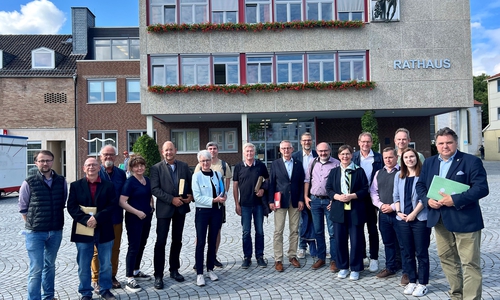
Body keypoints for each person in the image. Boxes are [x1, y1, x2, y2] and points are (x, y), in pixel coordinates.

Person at [416, 127, 489, 300]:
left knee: (469, 263)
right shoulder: (430, 162)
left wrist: (455, 199)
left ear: (456, 143)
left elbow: (482, 188)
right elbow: (420, 186)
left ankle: (471, 298)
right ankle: (456, 295)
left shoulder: (470, 161)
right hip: (440, 220)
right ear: (436, 144)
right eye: (441, 143)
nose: (445, 146)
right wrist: (427, 201)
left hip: (465, 220)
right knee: (447, 259)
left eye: (449, 142)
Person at [18, 150, 67, 300]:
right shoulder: (29, 181)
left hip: (55, 231)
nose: (45, 163)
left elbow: (62, 201)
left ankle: (49, 296)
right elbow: (23, 207)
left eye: (48, 160)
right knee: (36, 268)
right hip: (35, 233)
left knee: (50, 266)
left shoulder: (61, 181)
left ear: (53, 161)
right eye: (42, 161)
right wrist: (33, 225)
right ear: (36, 163)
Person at [67, 157, 117, 300]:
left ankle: (105, 289)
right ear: (84, 168)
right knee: (83, 264)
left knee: (106, 264)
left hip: (104, 228)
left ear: (99, 167)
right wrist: (86, 220)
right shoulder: (76, 186)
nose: (91, 167)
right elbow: (72, 207)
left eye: (94, 165)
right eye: (88, 165)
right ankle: (85, 292)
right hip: (83, 229)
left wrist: (97, 218)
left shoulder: (109, 186)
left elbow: (112, 206)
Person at [151, 141, 193, 290]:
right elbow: (155, 189)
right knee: (161, 242)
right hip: (164, 210)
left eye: (171, 149)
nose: (169, 152)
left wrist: (190, 196)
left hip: (180, 209)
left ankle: (174, 270)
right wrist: (171, 199)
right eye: (166, 150)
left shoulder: (183, 166)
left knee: (177, 240)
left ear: (176, 150)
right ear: (163, 152)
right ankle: (158, 275)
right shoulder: (156, 168)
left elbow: (191, 183)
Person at [326, 145, 369, 281]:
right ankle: (343, 266)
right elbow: (328, 188)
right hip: (339, 210)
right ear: (338, 156)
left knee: (356, 241)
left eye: (347, 154)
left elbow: (365, 189)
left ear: (352, 155)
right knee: (340, 240)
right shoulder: (334, 172)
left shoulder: (359, 171)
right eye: (342, 154)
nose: (345, 156)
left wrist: (353, 196)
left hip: (355, 209)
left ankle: (356, 268)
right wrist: (337, 196)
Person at [394, 148, 431, 297]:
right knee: (407, 252)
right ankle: (412, 281)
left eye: (412, 157)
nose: (409, 159)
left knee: (421, 252)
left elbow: (425, 197)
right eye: (406, 157)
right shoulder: (399, 175)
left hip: (419, 219)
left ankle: (422, 283)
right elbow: (395, 195)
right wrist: (398, 212)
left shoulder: (424, 175)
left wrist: (413, 214)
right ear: (402, 160)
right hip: (402, 219)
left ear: (417, 158)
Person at [92, 145, 126, 292]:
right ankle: (96, 279)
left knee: (115, 249)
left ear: (116, 157)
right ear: (100, 157)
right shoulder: (95, 172)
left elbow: (125, 195)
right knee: (96, 250)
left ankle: (112, 276)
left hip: (116, 217)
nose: (108, 158)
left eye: (111, 155)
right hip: (99, 219)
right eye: (105, 155)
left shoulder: (121, 174)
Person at [194, 141, 232, 268]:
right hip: (203, 208)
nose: (205, 163)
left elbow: (225, 183)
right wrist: (212, 200)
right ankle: (198, 262)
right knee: (200, 236)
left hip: (218, 207)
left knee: (215, 233)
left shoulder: (222, 166)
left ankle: (212, 259)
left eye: (214, 148)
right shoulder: (198, 170)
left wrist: (224, 194)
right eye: (210, 148)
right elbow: (196, 192)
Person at [119, 155, 154, 293]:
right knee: (133, 246)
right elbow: (122, 202)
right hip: (134, 218)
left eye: (141, 165)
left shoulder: (147, 180)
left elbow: (150, 196)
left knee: (142, 243)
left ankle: (136, 269)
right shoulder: (130, 182)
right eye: (136, 166)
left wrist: (152, 206)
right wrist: (137, 212)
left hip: (147, 217)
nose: (139, 168)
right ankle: (129, 277)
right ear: (132, 168)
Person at [268, 140, 305, 272]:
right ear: (280, 150)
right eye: (283, 148)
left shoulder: (298, 164)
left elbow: (301, 183)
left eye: (288, 148)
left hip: (295, 200)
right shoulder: (275, 164)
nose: (286, 150)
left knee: (294, 230)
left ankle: (292, 255)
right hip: (280, 200)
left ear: (292, 149)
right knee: (278, 230)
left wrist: (301, 199)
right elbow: (271, 182)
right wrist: (271, 200)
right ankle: (278, 259)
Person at [192, 150, 226, 286]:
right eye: (202, 161)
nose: (205, 163)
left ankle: (210, 268)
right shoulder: (196, 176)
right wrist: (214, 199)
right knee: (201, 242)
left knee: (213, 240)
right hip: (202, 212)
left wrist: (223, 197)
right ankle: (199, 272)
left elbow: (222, 190)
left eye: (207, 160)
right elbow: (197, 197)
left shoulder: (217, 174)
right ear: (199, 162)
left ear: (211, 161)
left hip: (216, 211)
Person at [304, 142, 340, 271]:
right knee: (318, 231)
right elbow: (307, 180)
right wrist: (305, 196)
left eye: (325, 151)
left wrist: (334, 200)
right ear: (317, 151)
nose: (323, 153)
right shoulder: (313, 163)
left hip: (330, 202)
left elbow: (339, 183)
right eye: (320, 151)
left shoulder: (336, 163)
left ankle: (334, 260)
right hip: (314, 200)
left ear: (330, 151)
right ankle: (321, 258)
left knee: (332, 232)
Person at [233, 142, 269, 269]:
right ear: (244, 153)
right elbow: (235, 186)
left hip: (258, 204)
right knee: (246, 232)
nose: (249, 153)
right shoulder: (238, 167)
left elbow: (267, 180)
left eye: (251, 151)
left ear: (254, 152)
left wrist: (263, 190)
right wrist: (237, 204)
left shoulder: (260, 166)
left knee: (259, 231)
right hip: (245, 205)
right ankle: (247, 257)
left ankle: (260, 256)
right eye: (247, 151)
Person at [369, 147, 403, 280]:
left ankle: (407, 269)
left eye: (390, 157)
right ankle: (390, 267)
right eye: (385, 158)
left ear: (396, 158)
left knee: (402, 242)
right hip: (383, 213)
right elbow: (373, 192)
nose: (388, 160)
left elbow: (406, 193)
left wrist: (393, 207)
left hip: (399, 213)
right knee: (388, 242)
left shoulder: (402, 172)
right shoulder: (379, 173)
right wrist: (381, 205)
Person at [352, 132, 383, 273]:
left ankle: (374, 258)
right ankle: (363, 255)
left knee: (372, 228)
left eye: (368, 141)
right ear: (359, 142)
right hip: (358, 197)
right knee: (359, 228)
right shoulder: (353, 158)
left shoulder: (378, 158)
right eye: (363, 141)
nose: (365, 144)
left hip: (372, 198)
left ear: (372, 142)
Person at [292, 132, 318, 260]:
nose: (307, 142)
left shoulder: (317, 155)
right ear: (301, 142)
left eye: (309, 140)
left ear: (311, 141)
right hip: (300, 193)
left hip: (315, 193)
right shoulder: (295, 156)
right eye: (304, 140)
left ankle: (313, 247)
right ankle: (302, 247)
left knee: (314, 220)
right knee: (302, 221)